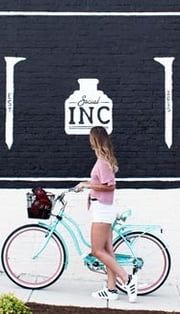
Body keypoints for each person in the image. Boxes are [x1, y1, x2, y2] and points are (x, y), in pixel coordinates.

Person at [74, 126, 137, 302]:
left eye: (90, 138)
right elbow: (101, 182)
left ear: (95, 140)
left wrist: (87, 185)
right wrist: (86, 184)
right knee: (108, 250)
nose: (89, 141)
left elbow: (110, 185)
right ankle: (111, 289)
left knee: (96, 250)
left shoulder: (102, 161)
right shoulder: (102, 160)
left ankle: (127, 278)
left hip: (102, 209)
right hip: (102, 208)